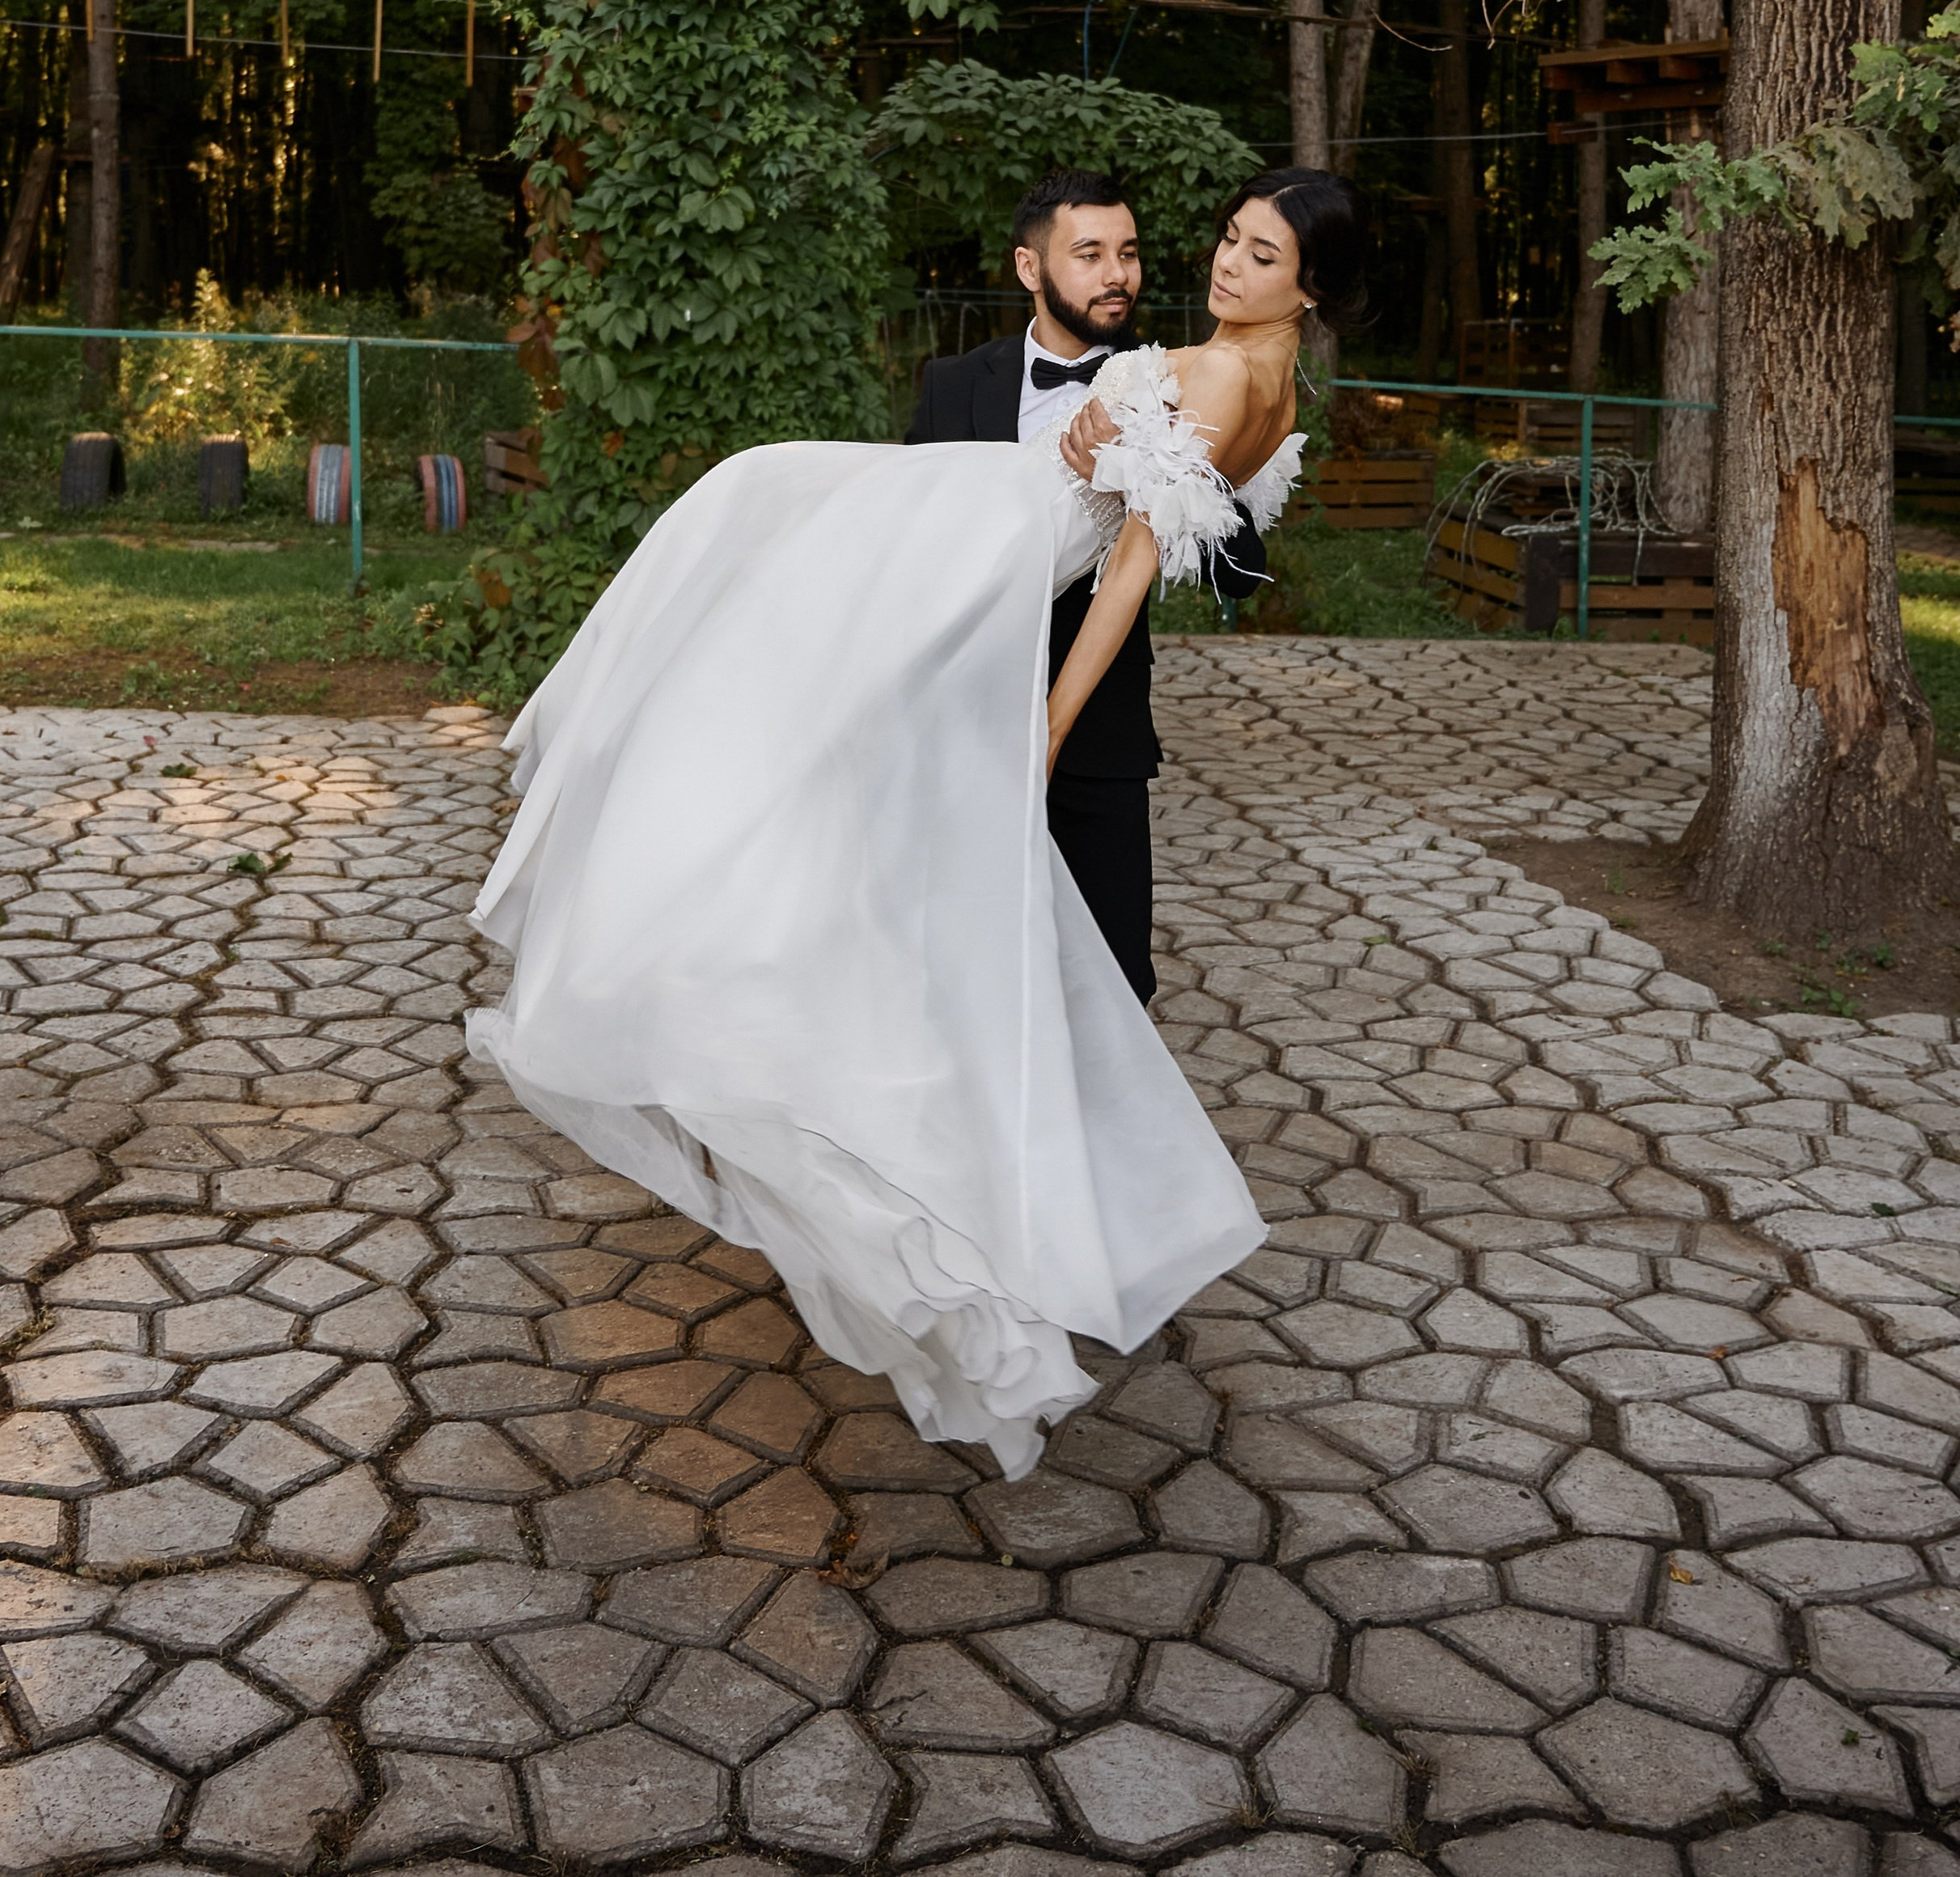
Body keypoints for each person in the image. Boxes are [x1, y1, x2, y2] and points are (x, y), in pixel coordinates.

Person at [466, 164, 1364, 1477]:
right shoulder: (1264, 380)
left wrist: (1043, 730)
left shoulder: (1231, 378)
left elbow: (1130, 576)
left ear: (1313, 283)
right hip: (991, 517)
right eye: (1229, 239)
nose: (1227, 266)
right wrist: (1114, 442)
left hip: (1007, 554)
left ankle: (700, 892)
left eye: (1262, 254)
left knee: (760, 518)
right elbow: (1165, 503)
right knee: (765, 514)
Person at [905, 167, 1273, 1002]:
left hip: (1097, 734)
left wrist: (1156, 465)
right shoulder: (954, 384)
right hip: (958, 722)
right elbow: (909, 545)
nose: (1118, 274)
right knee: (957, 972)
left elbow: (1241, 570)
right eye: (1090, 253)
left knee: (1113, 980)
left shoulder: (1185, 386)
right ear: (1030, 269)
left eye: (1129, 252)